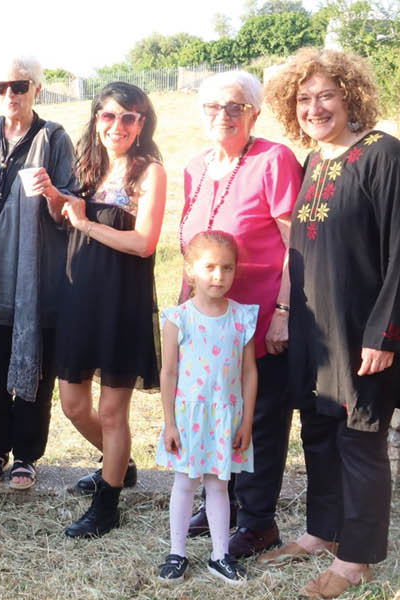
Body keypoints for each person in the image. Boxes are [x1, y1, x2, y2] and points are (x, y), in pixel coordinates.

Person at [262, 48, 400, 599]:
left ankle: (358, 558)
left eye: (326, 95)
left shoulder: (382, 154)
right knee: (318, 432)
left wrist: (384, 333)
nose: (314, 107)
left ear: (350, 96)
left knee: (360, 438)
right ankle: (322, 531)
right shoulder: (316, 161)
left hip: (362, 331)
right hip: (316, 332)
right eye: (303, 98)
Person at [178, 70, 302, 557]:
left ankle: (258, 521)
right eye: (212, 106)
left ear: (254, 112)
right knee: (216, 413)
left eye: (234, 107)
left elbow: (297, 245)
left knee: (261, 418)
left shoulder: (274, 160)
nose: (223, 116)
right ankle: (219, 501)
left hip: (261, 316)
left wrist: (285, 312)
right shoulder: (195, 165)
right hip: (211, 324)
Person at [51, 82, 166, 537]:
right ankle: (121, 463)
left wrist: (84, 222)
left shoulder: (149, 172)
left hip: (122, 300)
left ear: (142, 123)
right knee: (73, 404)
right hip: (80, 295)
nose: (116, 125)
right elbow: (75, 221)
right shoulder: (89, 165)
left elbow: (143, 243)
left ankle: (107, 503)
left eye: (128, 117)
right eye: (108, 115)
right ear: (96, 118)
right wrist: (56, 201)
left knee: (114, 413)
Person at [0, 57, 76, 490]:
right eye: (3, 85)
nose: (11, 93)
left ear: (37, 89)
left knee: (35, 368)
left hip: (35, 273)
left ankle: (26, 454)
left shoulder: (54, 137)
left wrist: (51, 194)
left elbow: (70, 206)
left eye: (20, 85)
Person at [155, 230, 257, 585]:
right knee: (185, 482)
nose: (218, 276)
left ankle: (219, 555)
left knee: (218, 484)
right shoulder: (178, 318)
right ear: (190, 270)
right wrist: (169, 423)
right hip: (188, 417)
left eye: (227, 268)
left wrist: (245, 421)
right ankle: (177, 552)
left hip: (226, 416)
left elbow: (249, 373)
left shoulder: (242, 317)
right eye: (210, 267)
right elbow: (168, 373)